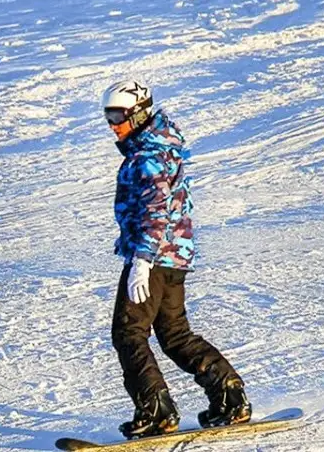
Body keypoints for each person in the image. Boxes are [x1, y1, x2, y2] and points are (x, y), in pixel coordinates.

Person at [100, 80, 251, 439]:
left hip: (153, 257)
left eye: (118, 115)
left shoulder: (150, 155)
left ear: (138, 113)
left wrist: (142, 260)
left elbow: (156, 211)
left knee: (129, 333)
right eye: (108, 115)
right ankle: (228, 395)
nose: (112, 124)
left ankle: (156, 409)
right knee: (174, 334)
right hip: (171, 258)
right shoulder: (154, 147)